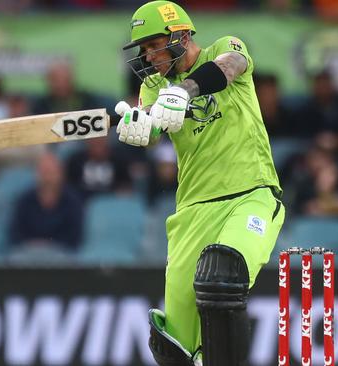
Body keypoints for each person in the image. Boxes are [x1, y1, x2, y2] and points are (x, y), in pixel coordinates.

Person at [116, 2, 284, 364]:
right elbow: (151, 130)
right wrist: (139, 126)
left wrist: (186, 90)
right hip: (192, 212)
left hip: (249, 195)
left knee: (222, 276)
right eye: (143, 50)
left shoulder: (225, 46)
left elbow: (229, 67)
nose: (149, 56)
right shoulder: (154, 85)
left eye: (153, 45)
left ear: (181, 35)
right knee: (173, 347)